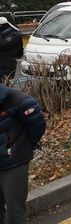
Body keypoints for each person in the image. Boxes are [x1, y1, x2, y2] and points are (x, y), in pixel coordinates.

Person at [0, 83, 46, 223]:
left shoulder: (18, 100)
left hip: (13, 164)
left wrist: (20, 147)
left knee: (15, 214)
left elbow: (38, 125)